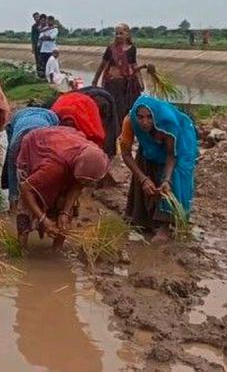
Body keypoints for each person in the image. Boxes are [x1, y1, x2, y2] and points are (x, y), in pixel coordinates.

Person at [16, 126, 110, 249]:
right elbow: (25, 189)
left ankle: (56, 251)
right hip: (35, 145)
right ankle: (20, 250)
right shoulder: (53, 168)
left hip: (63, 145)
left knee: (66, 211)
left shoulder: (92, 155)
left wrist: (65, 212)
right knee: (26, 209)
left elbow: (78, 184)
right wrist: (43, 219)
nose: (85, 185)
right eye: (84, 181)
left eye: (89, 183)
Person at [120, 96, 198, 241]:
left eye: (150, 117)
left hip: (180, 144)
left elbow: (171, 155)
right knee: (143, 161)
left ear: (155, 116)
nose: (144, 122)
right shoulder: (129, 122)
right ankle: (143, 218)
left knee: (176, 175)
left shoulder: (167, 123)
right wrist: (143, 179)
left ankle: (165, 225)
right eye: (140, 117)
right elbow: (125, 153)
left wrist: (167, 180)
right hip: (151, 146)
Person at [1, 107, 60, 210]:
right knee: (14, 165)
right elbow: (12, 169)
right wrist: (13, 200)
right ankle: (15, 201)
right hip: (17, 118)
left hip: (48, 117)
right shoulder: (15, 146)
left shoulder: (47, 143)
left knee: (45, 167)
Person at [92, 23, 147, 131]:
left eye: (121, 33)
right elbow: (102, 65)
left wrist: (141, 81)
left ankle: (126, 132)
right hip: (112, 85)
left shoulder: (132, 49)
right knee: (114, 109)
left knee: (127, 109)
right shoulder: (111, 49)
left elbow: (134, 65)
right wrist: (95, 81)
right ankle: (115, 132)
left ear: (127, 34)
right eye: (116, 33)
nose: (118, 36)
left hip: (126, 85)